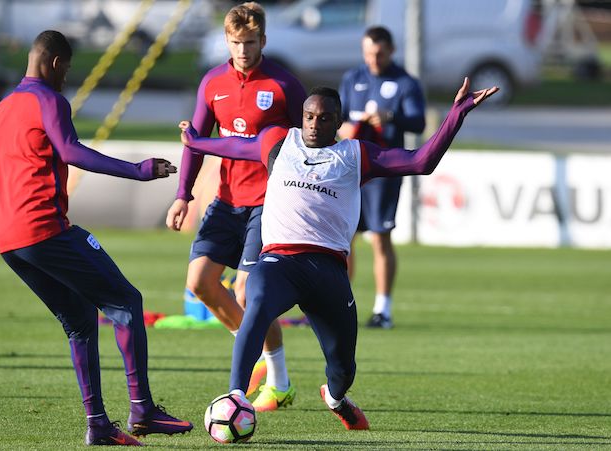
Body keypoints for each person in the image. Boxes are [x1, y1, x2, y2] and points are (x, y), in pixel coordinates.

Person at [178, 79, 498, 431]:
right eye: (309, 117)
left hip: (328, 271)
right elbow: (235, 145)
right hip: (279, 262)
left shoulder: (355, 154)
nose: (315, 124)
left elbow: (421, 162)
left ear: (337, 121)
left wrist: (456, 114)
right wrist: (196, 142)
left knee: (343, 368)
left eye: (324, 118)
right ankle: (235, 395)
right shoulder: (278, 142)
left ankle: (335, 397)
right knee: (256, 303)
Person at [0, 30, 193, 446]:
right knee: (126, 301)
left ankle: (98, 424)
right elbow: (72, 152)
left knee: (81, 322)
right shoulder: (50, 101)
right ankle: (142, 409)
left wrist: (6, 209)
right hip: (46, 229)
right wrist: (137, 171)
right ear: (53, 63)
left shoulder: (1, 110)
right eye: (66, 68)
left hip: (11, 242)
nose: (66, 77)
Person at [164, 2, 306, 411]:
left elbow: (307, 142)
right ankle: (255, 350)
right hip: (225, 201)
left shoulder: (283, 86)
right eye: (236, 42)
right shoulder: (212, 83)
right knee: (200, 283)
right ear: (227, 41)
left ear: (263, 40)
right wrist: (182, 194)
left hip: (268, 202)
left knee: (247, 291)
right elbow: (194, 142)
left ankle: (278, 383)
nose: (243, 50)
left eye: (250, 42)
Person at [337, 26, 427, 329]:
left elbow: (418, 122)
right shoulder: (353, 78)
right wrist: (346, 128)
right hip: (352, 168)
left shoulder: (405, 82)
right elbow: (338, 120)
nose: (373, 59)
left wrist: (391, 117)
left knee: (380, 238)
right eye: (368, 53)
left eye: (378, 53)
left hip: (384, 171)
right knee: (342, 240)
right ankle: (336, 303)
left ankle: (382, 309)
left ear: (391, 51)